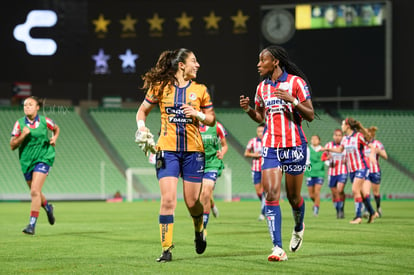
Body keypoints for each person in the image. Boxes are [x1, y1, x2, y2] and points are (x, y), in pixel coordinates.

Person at [135, 48, 216, 262]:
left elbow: (211, 119)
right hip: (167, 150)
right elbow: (142, 111)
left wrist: (197, 113)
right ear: (182, 65)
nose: (197, 65)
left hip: (193, 153)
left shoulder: (200, 90)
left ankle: (199, 227)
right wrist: (142, 127)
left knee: (192, 202)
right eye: (194, 61)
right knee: (168, 200)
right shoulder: (160, 87)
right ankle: (166, 249)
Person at [240, 45, 314, 262]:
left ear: (275, 62)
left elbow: (310, 115)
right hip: (271, 146)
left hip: (294, 146)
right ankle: (277, 248)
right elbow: (260, 117)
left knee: (293, 197)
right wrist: (248, 110)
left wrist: (292, 100)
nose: (258, 64)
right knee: (271, 194)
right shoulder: (261, 88)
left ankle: (299, 226)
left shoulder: (296, 83)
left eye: (262, 60)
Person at [10, 96, 59, 235]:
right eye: (25, 105)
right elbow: (12, 145)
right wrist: (23, 135)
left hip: (44, 157)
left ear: (37, 107)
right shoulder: (19, 124)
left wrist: (54, 138)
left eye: (30, 104)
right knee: (35, 191)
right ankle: (48, 208)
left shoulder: (45, 120)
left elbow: (56, 128)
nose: (27, 107)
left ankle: (31, 225)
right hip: (26, 162)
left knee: (34, 191)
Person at [321, 118, 378, 224]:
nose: (341, 126)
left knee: (355, 190)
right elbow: (340, 150)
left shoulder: (358, 136)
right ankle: (372, 212)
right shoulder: (344, 139)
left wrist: (371, 154)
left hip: (361, 167)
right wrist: (326, 149)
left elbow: (371, 145)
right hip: (351, 170)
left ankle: (358, 217)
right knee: (360, 193)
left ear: (347, 126)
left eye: (343, 124)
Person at [199, 121, 228, 232]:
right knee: (201, 196)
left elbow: (225, 145)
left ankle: (203, 228)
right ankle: (212, 205)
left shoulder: (216, 126)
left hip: (212, 163)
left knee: (205, 193)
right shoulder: (191, 125)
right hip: (197, 163)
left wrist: (222, 152)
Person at [323, 129, 348, 219]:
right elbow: (324, 158)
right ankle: (338, 210)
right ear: (333, 136)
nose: (337, 137)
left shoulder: (345, 146)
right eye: (336, 135)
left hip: (342, 171)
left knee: (340, 190)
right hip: (332, 172)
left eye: (339, 135)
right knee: (334, 193)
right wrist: (328, 160)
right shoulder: (328, 145)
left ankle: (341, 209)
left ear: (342, 136)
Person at [364, 126, 388, 217]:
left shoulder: (377, 144)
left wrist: (378, 151)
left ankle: (378, 207)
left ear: (372, 134)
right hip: (365, 171)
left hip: (375, 170)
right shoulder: (363, 143)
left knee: (376, 192)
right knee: (366, 192)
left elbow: (385, 156)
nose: (366, 135)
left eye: (368, 134)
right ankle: (367, 210)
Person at [244, 122, 266, 221]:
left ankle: (263, 212)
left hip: (266, 169)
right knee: (259, 192)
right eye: (258, 131)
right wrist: (254, 155)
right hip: (256, 169)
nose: (260, 133)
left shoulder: (269, 141)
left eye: (262, 131)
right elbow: (246, 153)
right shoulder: (253, 141)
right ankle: (266, 206)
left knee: (265, 191)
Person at [305, 135, 325, 217]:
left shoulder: (323, 150)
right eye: (312, 139)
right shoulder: (307, 149)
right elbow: (306, 161)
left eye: (316, 139)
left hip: (319, 173)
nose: (314, 140)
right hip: (310, 173)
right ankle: (315, 204)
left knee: (317, 192)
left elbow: (326, 160)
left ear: (319, 140)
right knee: (311, 195)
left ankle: (316, 209)